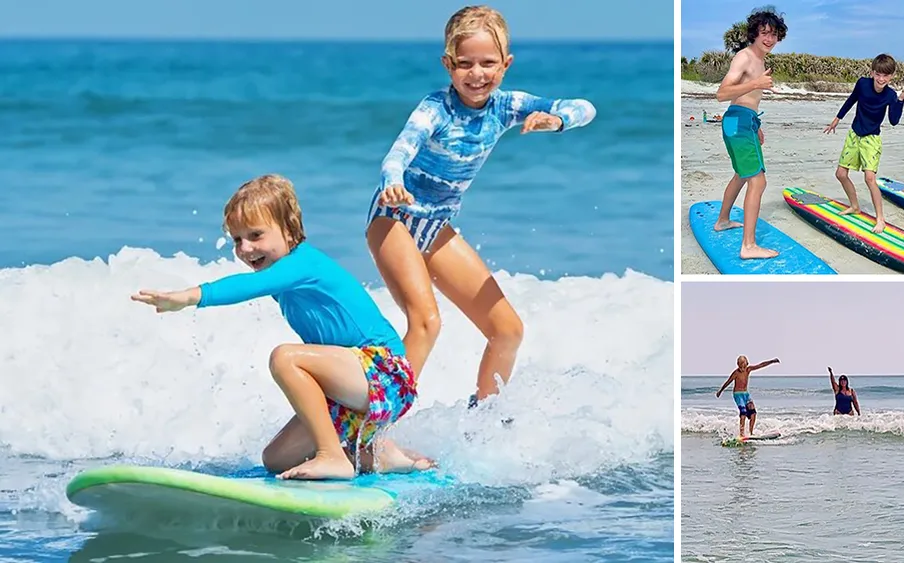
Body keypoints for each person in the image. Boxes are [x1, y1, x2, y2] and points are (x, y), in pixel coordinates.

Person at [366, 6, 595, 411]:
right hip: (393, 219)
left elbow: (585, 108)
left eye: (488, 63)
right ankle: (371, 425)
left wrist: (556, 120)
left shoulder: (506, 106)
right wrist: (394, 183)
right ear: (448, 65)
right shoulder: (435, 108)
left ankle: (482, 425)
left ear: (505, 65)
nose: (477, 74)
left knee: (507, 330)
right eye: (465, 64)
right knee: (426, 323)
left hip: (435, 227)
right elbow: (397, 154)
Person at [131, 174, 432, 480]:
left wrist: (189, 296)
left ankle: (333, 458)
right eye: (237, 239)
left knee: (286, 357)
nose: (245, 248)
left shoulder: (303, 264)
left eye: (256, 235)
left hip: (386, 373)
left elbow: (250, 285)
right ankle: (381, 456)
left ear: (289, 231)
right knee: (277, 458)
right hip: (351, 385)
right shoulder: (282, 275)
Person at [711, 7, 788, 260]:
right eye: (764, 33)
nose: (769, 39)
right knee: (758, 180)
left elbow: (746, 100)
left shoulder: (760, 60)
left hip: (745, 121)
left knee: (742, 175)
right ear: (754, 34)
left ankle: (722, 220)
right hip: (737, 123)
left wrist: (757, 125)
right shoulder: (744, 57)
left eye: (774, 34)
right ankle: (749, 246)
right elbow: (722, 94)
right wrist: (756, 83)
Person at [823, 54, 904, 233]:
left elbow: (893, 120)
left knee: (869, 178)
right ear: (872, 73)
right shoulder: (862, 84)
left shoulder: (891, 95)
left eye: (885, 76)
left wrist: (900, 100)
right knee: (840, 174)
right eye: (878, 74)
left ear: (891, 76)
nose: (881, 79)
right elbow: (851, 100)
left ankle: (880, 219)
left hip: (871, 139)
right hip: (854, 134)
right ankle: (854, 206)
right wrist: (837, 119)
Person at [716, 355, 780, 437]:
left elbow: (760, 365)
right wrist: (720, 391)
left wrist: (772, 361)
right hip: (738, 395)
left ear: (746, 364)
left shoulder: (748, 369)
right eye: (740, 365)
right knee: (743, 413)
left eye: (743, 365)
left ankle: (751, 432)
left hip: (746, 394)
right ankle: (742, 434)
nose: (742, 368)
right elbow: (728, 382)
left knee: (753, 413)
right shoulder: (736, 373)